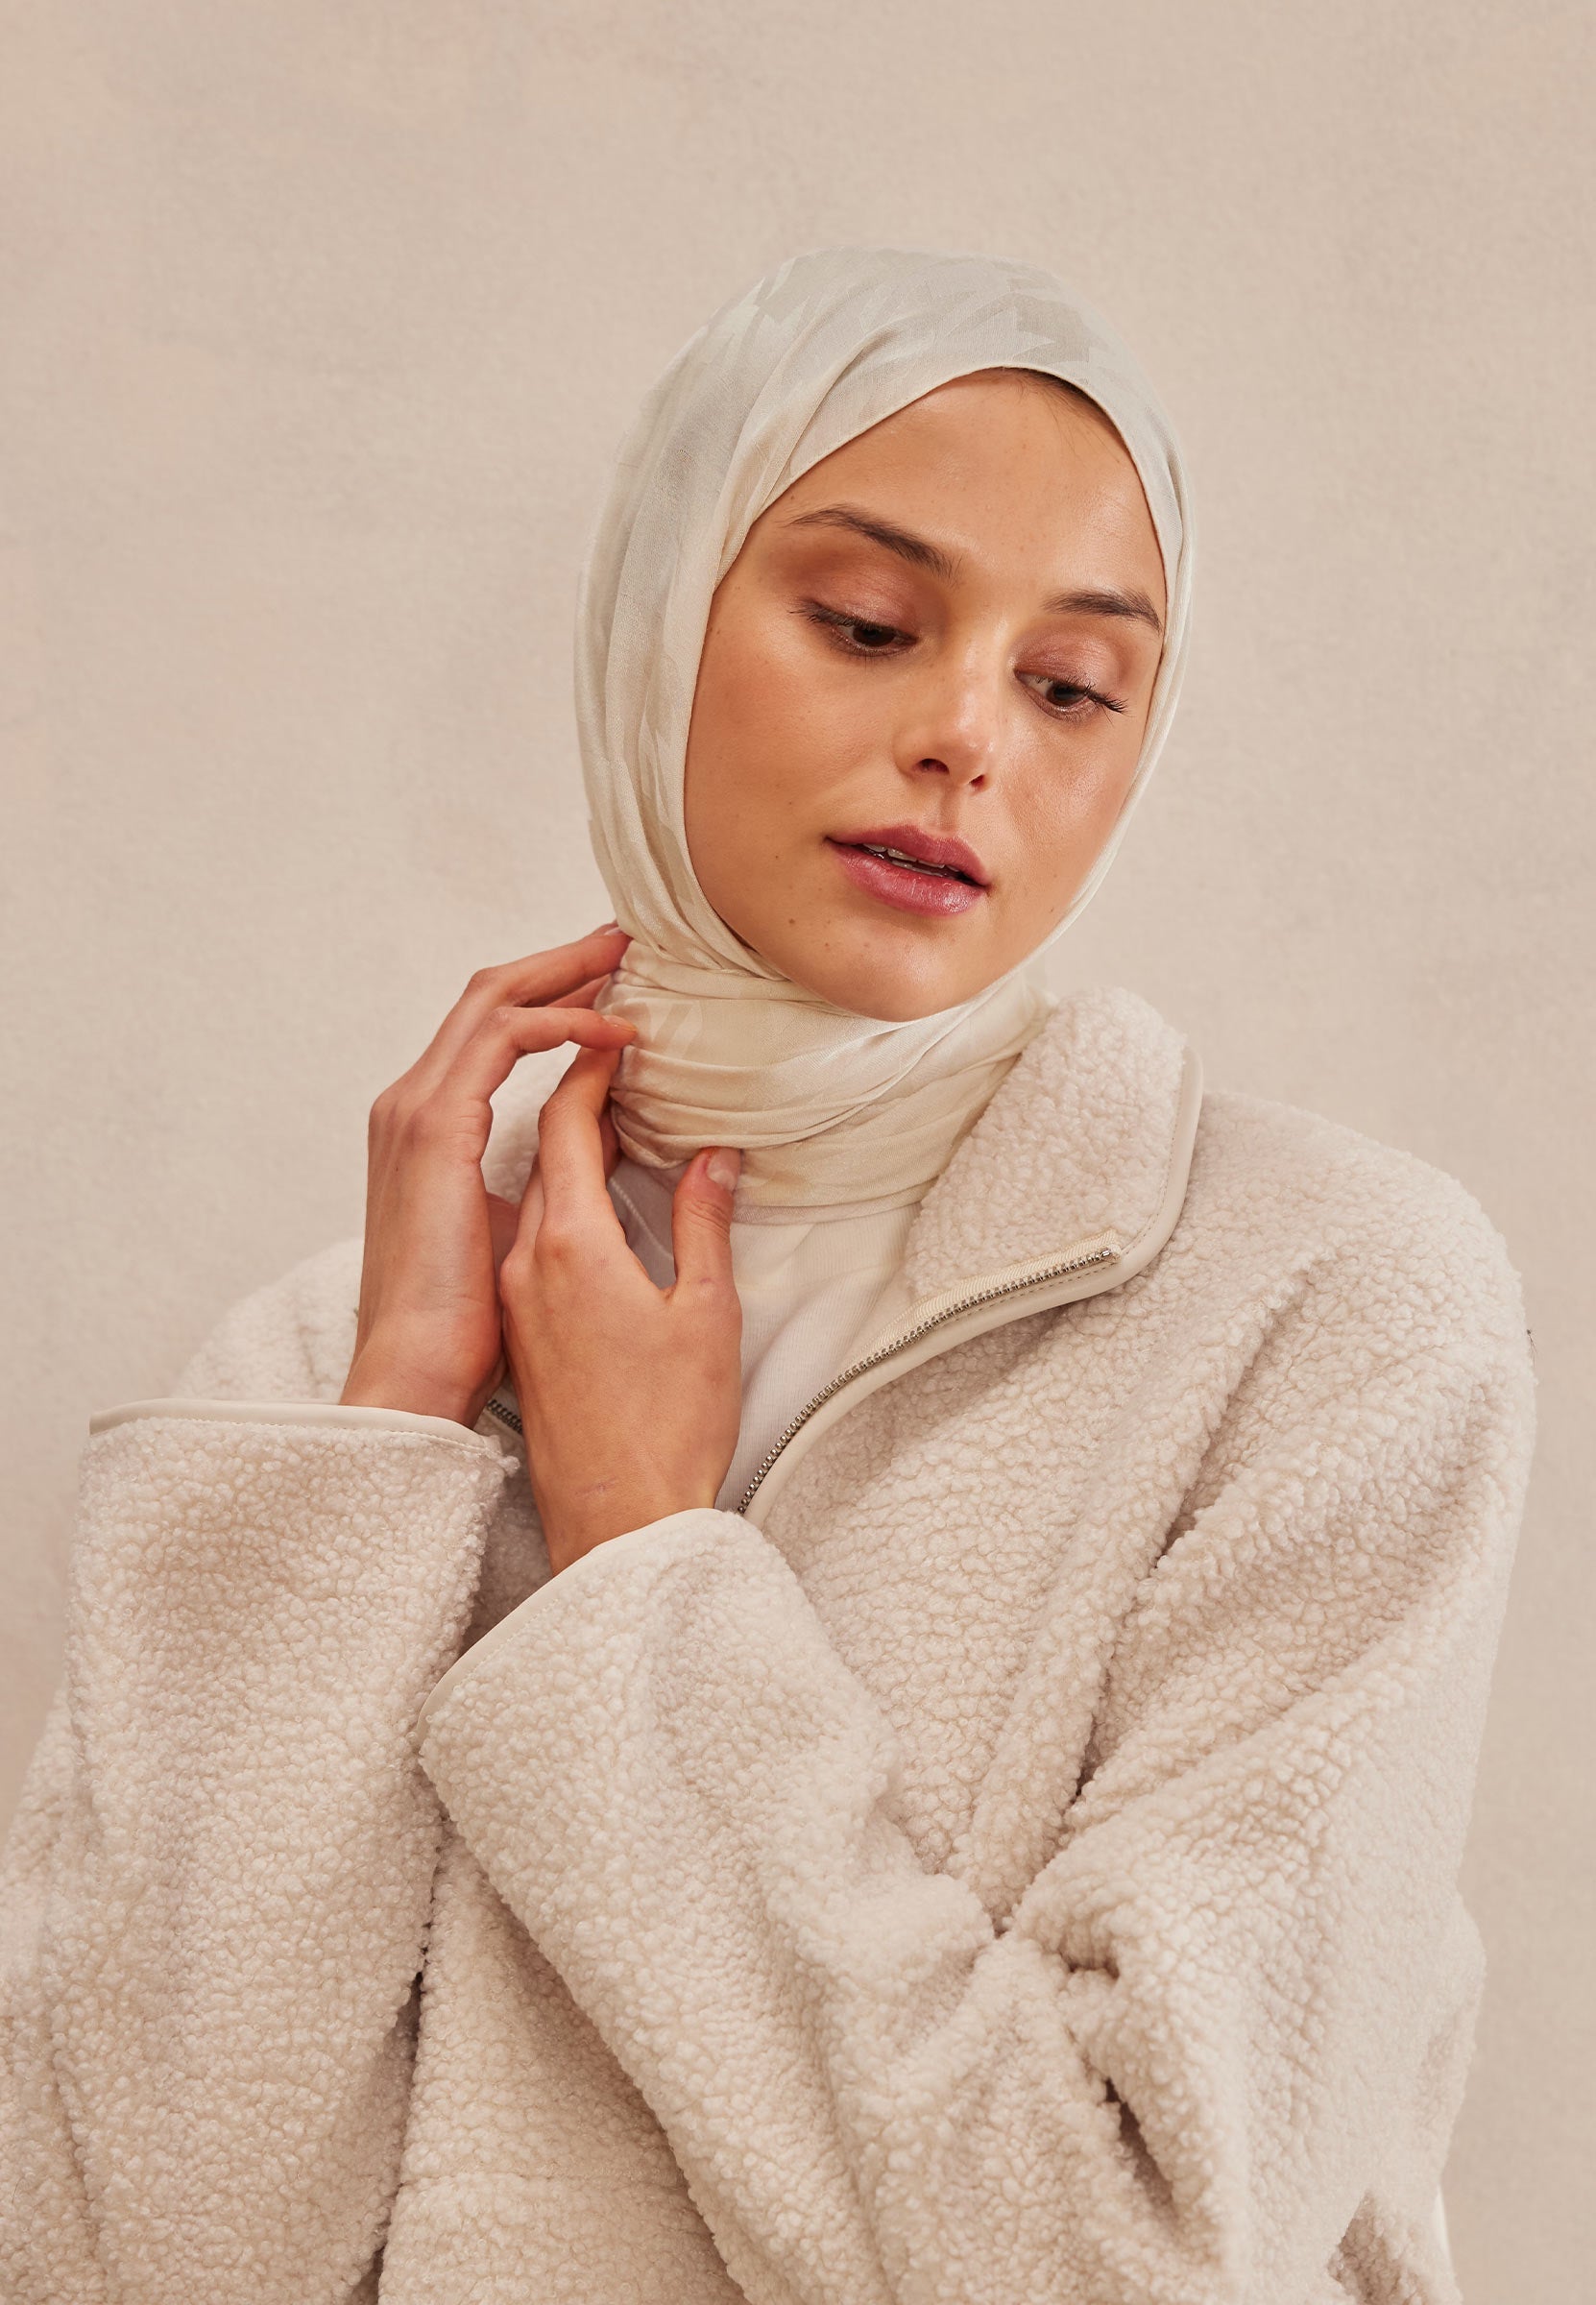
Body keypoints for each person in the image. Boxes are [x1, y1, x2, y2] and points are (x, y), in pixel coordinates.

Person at [0, 247, 1534, 2305]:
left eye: (1071, 687)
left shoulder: (1329, 1313)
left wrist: (640, 1575)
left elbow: (1123, 2258)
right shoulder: (318, 1378)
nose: (966, 736)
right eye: (870, 624)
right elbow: (133, 2250)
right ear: (656, 622)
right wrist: (384, 1442)